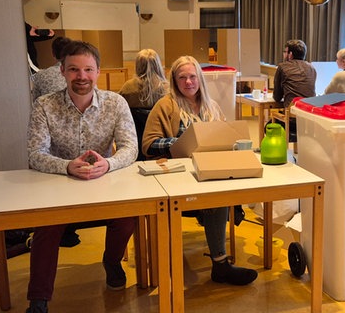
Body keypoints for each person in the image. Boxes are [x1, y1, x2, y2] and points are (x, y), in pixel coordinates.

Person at [26, 40, 138, 313]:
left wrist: (108, 164)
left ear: (98, 71)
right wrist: (66, 166)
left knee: (127, 216)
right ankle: (39, 300)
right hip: (58, 189)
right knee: (45, 226)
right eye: (74, 69)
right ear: (62, 71)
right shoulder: (44, 105)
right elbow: (35, 154)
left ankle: (111, 262)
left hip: (103, 185)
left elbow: (130, 147)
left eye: (88, 69)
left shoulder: (116, 103)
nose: (82, 76)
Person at [142, 55, 258, 286]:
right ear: (174, 80)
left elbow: (224, 135)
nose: (188, 82)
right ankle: (221, 264)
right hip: (178, 174)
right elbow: (148, 144)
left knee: (228, 189)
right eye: (182, 77)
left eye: (192, 76)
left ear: (200, 79)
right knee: (218, 197)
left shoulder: (211, 105)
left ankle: (221, 257)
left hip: (209, 171)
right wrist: (185, 141)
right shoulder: (165, 106)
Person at [118, 48, 169, 161]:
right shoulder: (167, 90)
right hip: (160, 147)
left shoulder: (127, 88)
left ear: (138, 65)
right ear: (158, 65)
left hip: (135, 142)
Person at [272, 39, 316, 141]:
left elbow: (277, 97)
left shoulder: (283, 67)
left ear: (290, 54)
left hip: (292, 120)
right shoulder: (311, 68)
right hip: (309, 119)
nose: (284, 55)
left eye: (285, 52)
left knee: (269, 126)